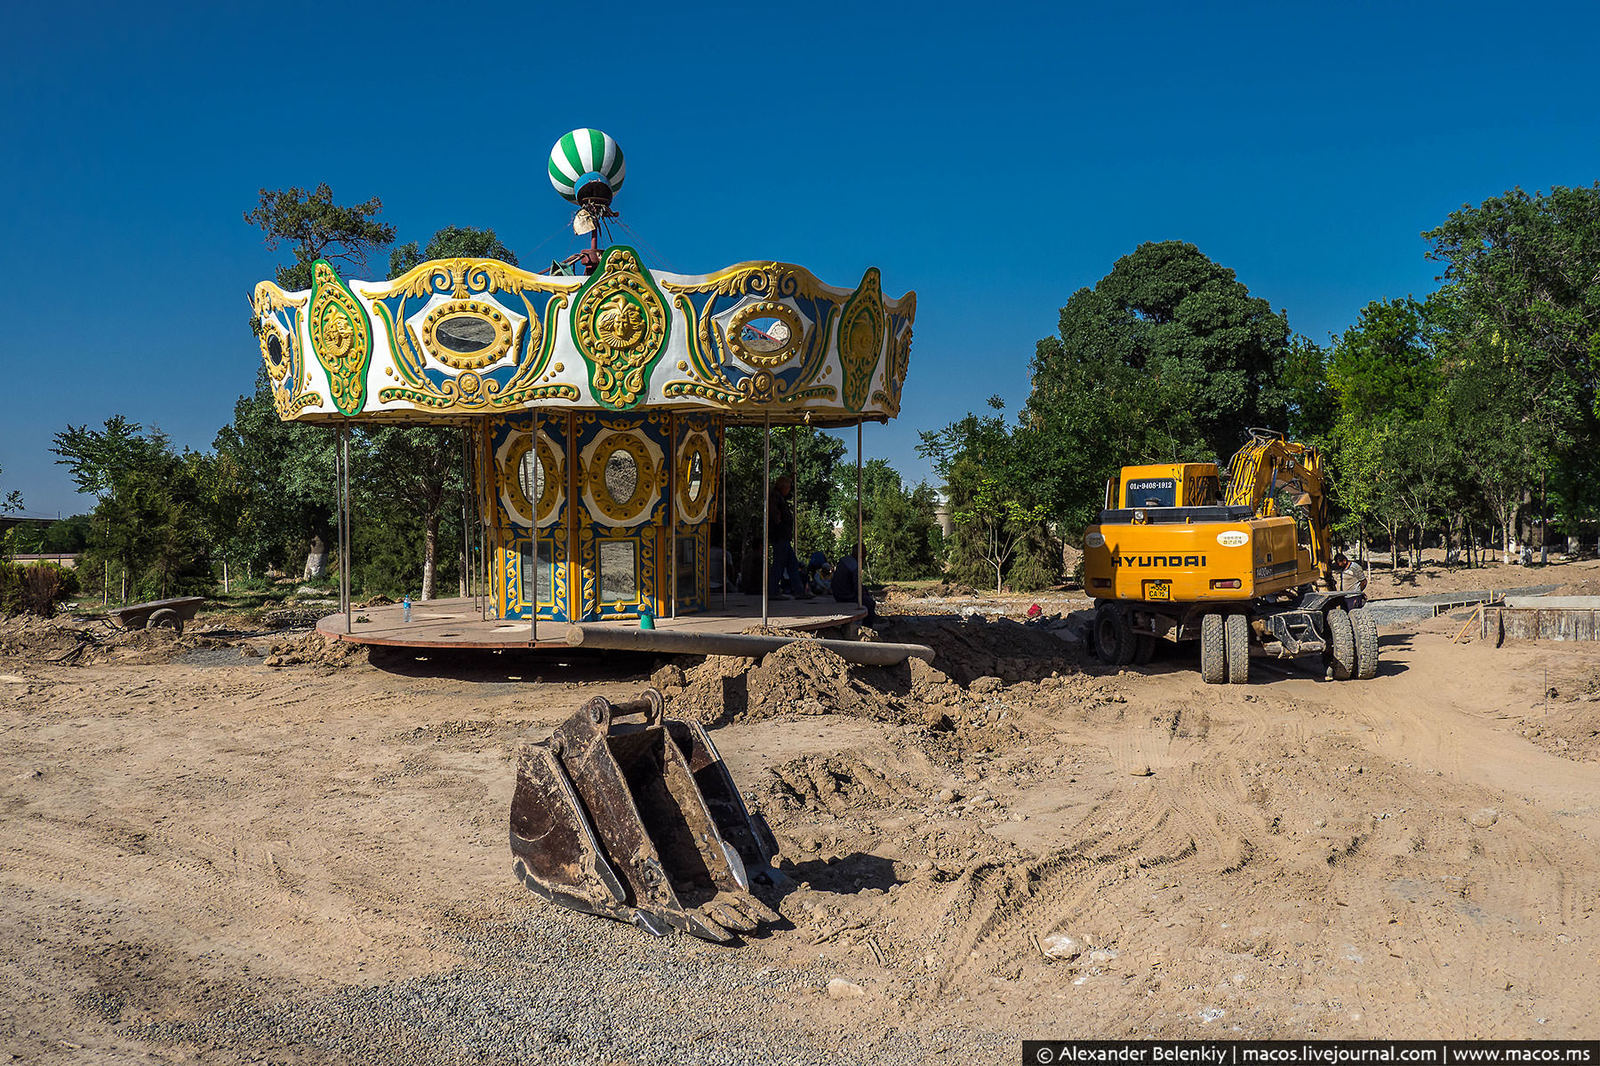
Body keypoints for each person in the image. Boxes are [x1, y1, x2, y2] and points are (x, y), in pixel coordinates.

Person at [767, 475, 806, 599]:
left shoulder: (779, 497)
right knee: (779, 564)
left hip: (783, 536)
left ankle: (799, 591)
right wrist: (780, 526)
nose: (789, 490)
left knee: (792, 564)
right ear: (783, 487)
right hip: (780, 536)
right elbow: (775, 515)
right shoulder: (775, 497)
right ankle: (772, 591)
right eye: (788, 487)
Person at [832, 543, 877, 624]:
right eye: (864, 553)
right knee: (870, 603)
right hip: (845, 596)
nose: (865, 555)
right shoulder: (853, 566)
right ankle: (867, 627)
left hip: (837, 594)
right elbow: (857, 587)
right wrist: (864, 594)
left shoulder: (845, 560)